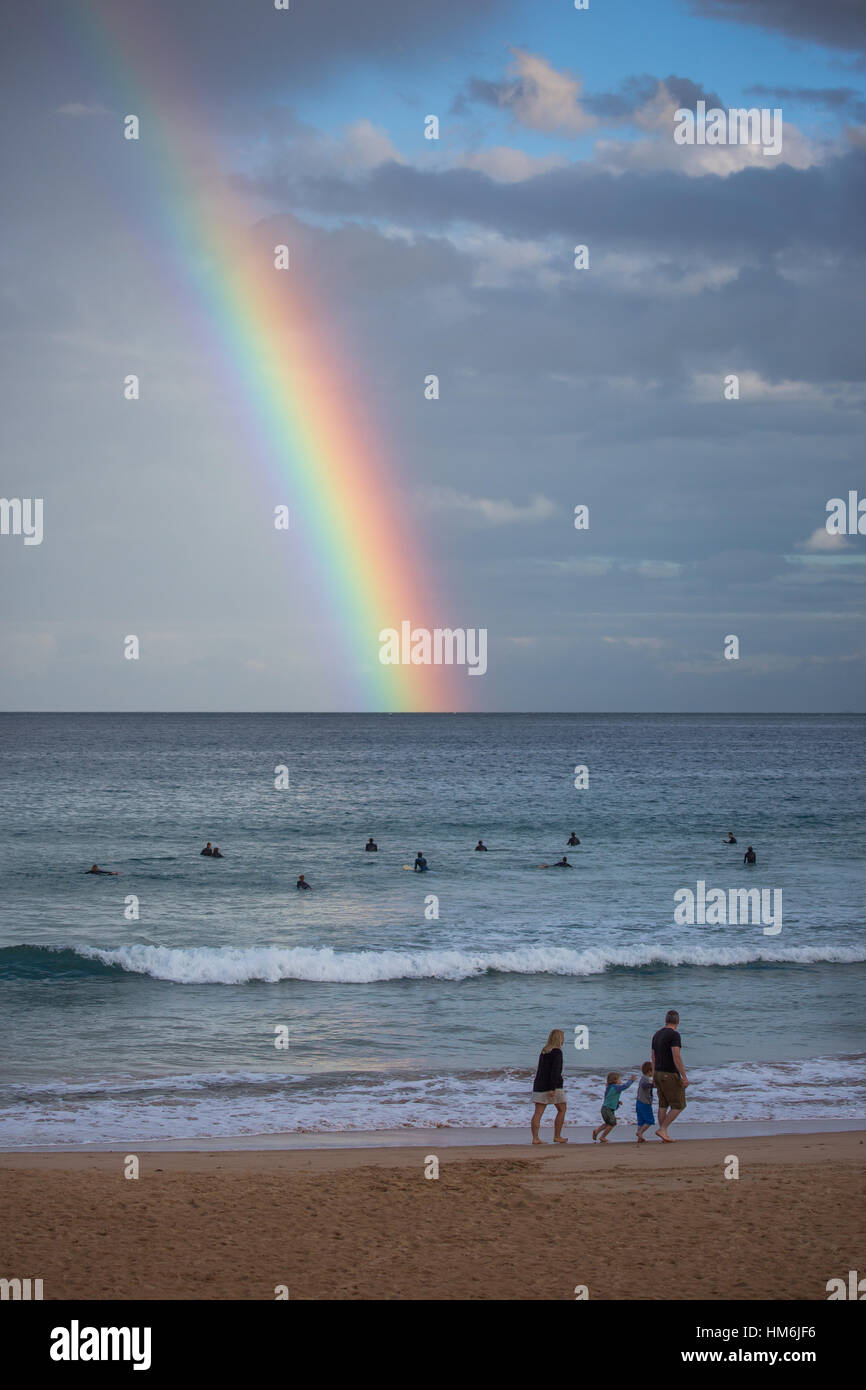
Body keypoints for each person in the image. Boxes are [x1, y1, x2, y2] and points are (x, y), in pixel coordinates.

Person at [652, 1009, 688, 1143]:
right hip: (669, 1073)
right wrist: (684, 1076)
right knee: (679, 1104)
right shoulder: (674, 1035)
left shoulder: (656, 1035)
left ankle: (664, 1133)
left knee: (663, 1104)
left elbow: (653, 1056)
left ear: (665, 1020)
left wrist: (654, 1074)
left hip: (658, 1073)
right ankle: (663, 1129)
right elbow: (676, 1055)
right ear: (677, 1022)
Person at [530, 1028, 568, 1145]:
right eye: (563, 1037)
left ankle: (535, 1138)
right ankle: (557, 1136)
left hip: (539, 1084)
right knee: (562, 1109)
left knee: (538, 1112)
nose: (564, 1040)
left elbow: (541, 1070)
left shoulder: (544, 1051)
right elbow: (555, 1071)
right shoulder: (557, 1052)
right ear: (559, 1039)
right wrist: (553, 1088)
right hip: (553, 1085)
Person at [592, 1071, 635, 1142]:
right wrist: (631, 1080)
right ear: (615, 1080)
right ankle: (602, 1137)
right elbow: (625, 1086)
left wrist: (617, 1101)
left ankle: (597, 1131)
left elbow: (609, 1097)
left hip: (604, 1108)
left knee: (607, 1123)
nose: (621, 1080)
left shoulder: (609, 1087)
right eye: (619, 1079)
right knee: (612, 1124)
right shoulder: (616, 1087)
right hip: (608, 1109)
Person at [635, 1062, 655, 1143]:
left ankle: (640, 1137)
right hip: (645, 1103)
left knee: (641, 1121)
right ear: (649, 1071)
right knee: (650, 1120)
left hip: (639, 1102)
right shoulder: (645, 1079)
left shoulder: (644, 1078)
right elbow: (644, 1085)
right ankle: (640, 1132)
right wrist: (653, 1085)